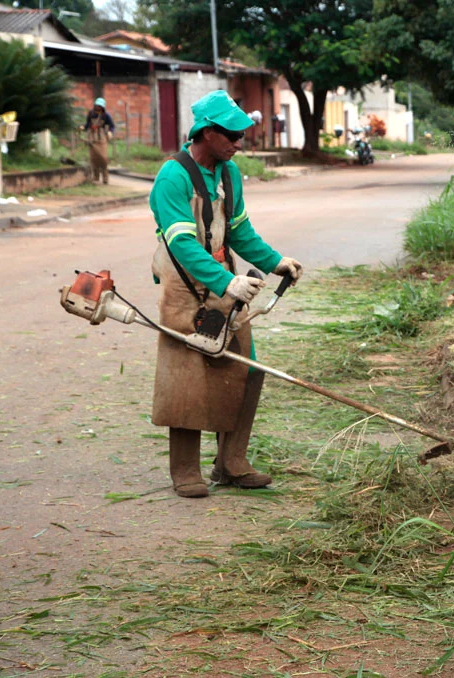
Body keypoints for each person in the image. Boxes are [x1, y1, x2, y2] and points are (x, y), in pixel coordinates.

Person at [148, 90, 303, 498]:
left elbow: (241, 233)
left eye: (241, 136)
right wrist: (225, 282)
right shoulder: (172, 176)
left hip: (223, 282)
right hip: (184, 286)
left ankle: (230, 462)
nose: (239, 144)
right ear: (206, 133)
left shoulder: (230, 173)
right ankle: (185, 471)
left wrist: (275, 262)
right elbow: (181, 244)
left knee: (246, 369)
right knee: (188, 375)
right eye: (232, 136)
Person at [83, 97, 115, 184]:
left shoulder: (106, 116)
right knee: (94, 159)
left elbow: (112, 126)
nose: (98, 107)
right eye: (97, 105)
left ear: (103, 107)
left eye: (100, 106)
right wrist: (83, 127)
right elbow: (88, 124)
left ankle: (105, 178)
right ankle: (96, 177)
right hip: (92, 138)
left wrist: (110, 133)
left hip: (101, 138)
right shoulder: (90, 114)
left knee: (103, 158)